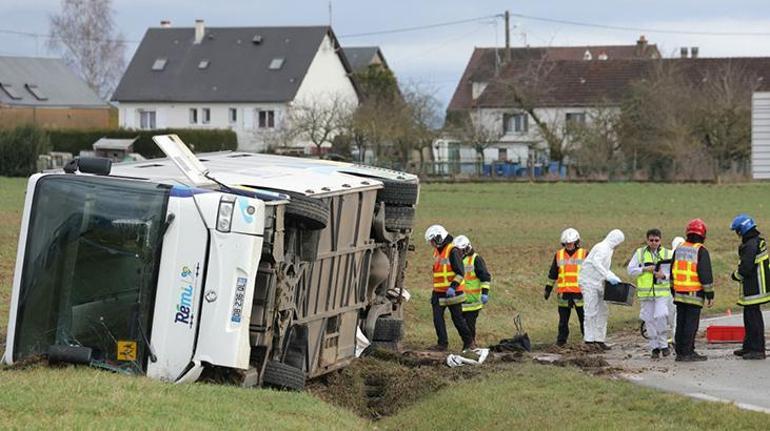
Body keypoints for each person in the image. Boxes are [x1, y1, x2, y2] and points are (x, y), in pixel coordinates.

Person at [424, 224, 474, 352]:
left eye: (432, 241)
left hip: (453, 293)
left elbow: (460, 272)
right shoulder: (437, 252)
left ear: (439, 238)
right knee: (437, 319)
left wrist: (452, 287)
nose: (431, 244)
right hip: (438, 293)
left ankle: (469, 343)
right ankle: (442, 344)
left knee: (457, 319)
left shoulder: (453, 251)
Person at [670, 219, 714, 362]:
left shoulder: (679, 248)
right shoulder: (701, 250)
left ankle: (680, 352)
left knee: (681, 322)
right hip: (694, 294)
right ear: (703, 235)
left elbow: (672, 271)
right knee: (690, 324)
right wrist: (710, 294)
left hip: (679, 293)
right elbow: (705, 274)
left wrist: (673, 289)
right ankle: (688, 352)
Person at [627, 229, 673, 358]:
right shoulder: (640, 253)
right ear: (647, 240)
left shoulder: (668, 253)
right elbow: (630, 270)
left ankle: (664, 344)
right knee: (649, 320)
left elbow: (674, 272)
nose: (654, 243)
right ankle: (655, 348)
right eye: (651, 240)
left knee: (661, 315)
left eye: (656, 240)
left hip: (662, 292)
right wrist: (644, 269)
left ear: (660, 240)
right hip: (646, 293)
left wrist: (664, 276)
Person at [730, 214, 770, 360]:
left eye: (737, 231)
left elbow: (746, 268)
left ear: (742, 230)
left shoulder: (751, 244)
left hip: (755, 289)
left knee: (753, 319)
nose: (737, 234)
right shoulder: (756, 241)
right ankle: (748, 347)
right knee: (749, 317)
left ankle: (757, 350)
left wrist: (735, 276)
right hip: (756, 287)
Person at [579, 229, 625, 351]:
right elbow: (596, 262)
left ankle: (599, 339)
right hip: (588, 281)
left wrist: (612, 275)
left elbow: (603, 267)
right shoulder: (602, 247)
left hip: (598, 282)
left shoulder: (609, 249)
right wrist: (607, 275)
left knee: (603, 310)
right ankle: (589, 340)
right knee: (590, 310)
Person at [544, 228, 586, 347]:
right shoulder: (559, 255)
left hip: (580, 293)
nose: (569, 245)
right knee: (563, 321)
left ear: (576, 242)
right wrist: (548, 289)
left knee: (584, 319)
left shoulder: (584, 254)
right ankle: (561, 341)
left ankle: (588, 340)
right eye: (567, 244)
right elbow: (553, 274)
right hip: (564, 294)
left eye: (571, 243)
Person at [453, 235, 492, 345]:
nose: (458, 253)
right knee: (461, 325)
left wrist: (485, 293)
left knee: (470, 325)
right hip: (460, 300)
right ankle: (468, 344)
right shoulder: (457, 260)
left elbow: (485, 277)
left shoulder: (476, 259)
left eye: (460, 251)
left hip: (473, 301)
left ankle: (470, 345)